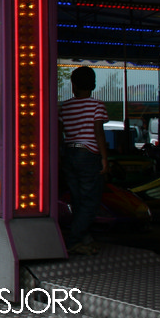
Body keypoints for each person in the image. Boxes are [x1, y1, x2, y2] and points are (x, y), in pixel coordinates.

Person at [59, 65, 109, 255]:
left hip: (69, 153)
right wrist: (104, 158)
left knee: (78, 199)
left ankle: (83, 238)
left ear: (73, 85)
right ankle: (73, 240)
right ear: (94, 85)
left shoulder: (65, 106)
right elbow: (98, 132)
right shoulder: (97, 105)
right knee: (91, 201)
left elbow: (59, 132)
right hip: (88, 154)